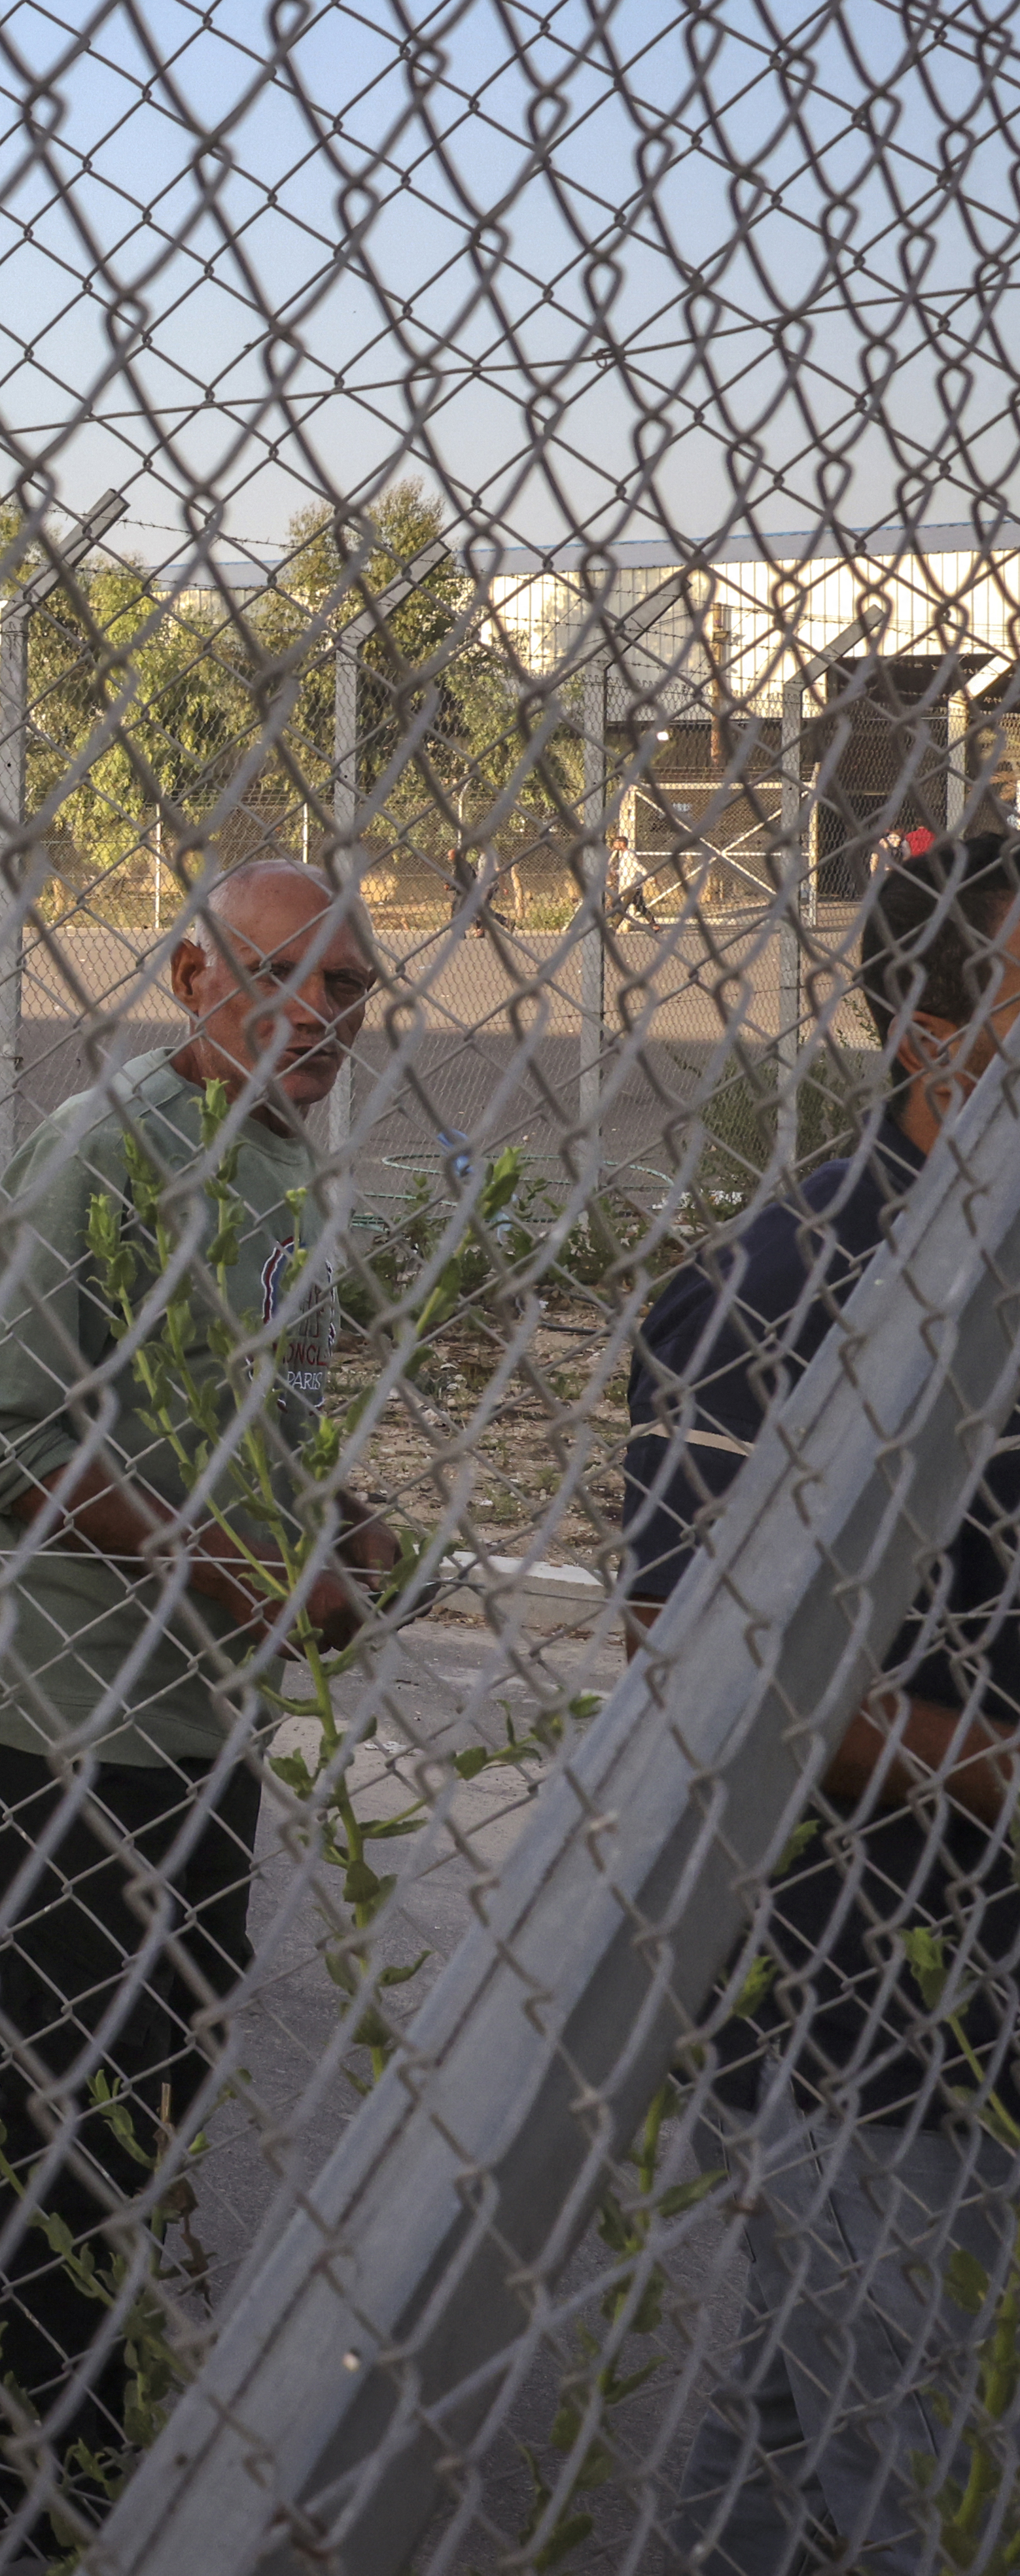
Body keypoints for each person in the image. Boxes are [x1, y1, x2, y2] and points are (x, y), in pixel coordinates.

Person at [0, 858, 395, 2558]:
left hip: (194, 1719)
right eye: (283, 979)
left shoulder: (275, 1156)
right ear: (190, 972)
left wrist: (326, 1515)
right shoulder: (100, 1155)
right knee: (71, 2124)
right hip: (61, 1722)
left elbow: (224, 1408)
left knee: (149, 2097)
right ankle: (28, 2516)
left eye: (347, 989)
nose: (320, 1018)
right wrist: (230, 1569)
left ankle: (83, 2464)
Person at [628, 827, 1020, 2573]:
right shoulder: (768, 1289)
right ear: (929, 1033)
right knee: (889, 2462)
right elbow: (690, 1659)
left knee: (796, 2448)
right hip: (865, 2013)